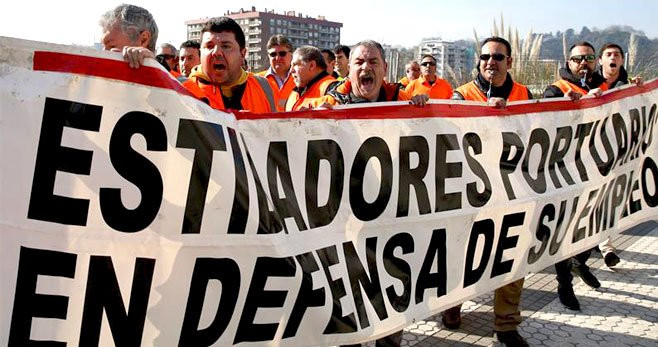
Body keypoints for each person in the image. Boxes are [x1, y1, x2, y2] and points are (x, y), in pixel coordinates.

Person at [442, 37, 531, 347]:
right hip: (467, 191)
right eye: (485, 56)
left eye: (498, 56)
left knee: (512, 254)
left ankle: (506, 324)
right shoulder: (462, 94)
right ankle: (452, 305)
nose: (490, 61)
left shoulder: (524, 95)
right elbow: (448, 130)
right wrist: (482, 112)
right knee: (459, 253)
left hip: (510, 191)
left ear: (510, 62)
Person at [543, 41, 607, 311]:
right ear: (568, 63)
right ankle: (564, 282)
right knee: (565, 230)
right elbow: (542, 121)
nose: (584, 62)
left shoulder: (604, 88)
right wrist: (563, 106)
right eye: (578, 59)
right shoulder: (557, 89)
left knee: (593, 221)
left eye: (589, 58)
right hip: (566, 172)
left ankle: (581, 262)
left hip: (598, 169)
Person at [592, 42, 643, 268]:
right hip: (590, 154)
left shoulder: (629, 87)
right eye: (608, 54)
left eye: (617, 55)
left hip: (618, 154)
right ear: (600, 60)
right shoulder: (588, 84)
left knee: (609, 200)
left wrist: (641, 93)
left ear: (622, 61)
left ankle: (607, 247)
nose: (613, 58)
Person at [182, 17, 277, 113]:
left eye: (226, 46)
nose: (216, 52)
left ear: (243, 53)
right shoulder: (183, 91)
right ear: (200, 52)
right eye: (209, 46)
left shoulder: (265, 88)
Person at [286, 46, 336, 111]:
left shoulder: (333, 89)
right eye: (291, 66)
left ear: (312, 65)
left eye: (295, 65)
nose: (291, 71)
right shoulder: (295, 93)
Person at [257, 34, 296, 111]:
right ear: (268, 56)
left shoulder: (302, 79)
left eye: (282, 54)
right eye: (273, 54)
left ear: (292, 55)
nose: (277, 58)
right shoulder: (257, 80)